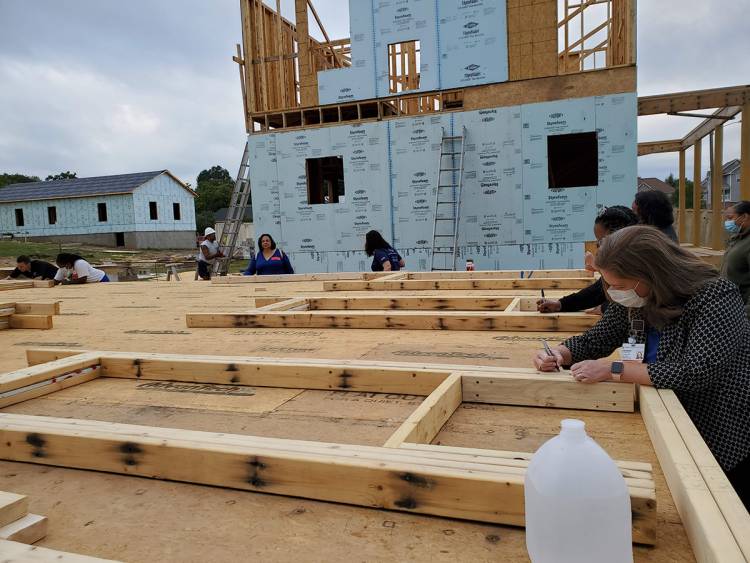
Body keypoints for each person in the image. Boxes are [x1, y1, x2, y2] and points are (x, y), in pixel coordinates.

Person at [532, 226, 750, 509]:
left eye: (619, 285)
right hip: (667, 418)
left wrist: (615, 369)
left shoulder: (714, 296)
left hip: (719, 426)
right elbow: (597, 339)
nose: (612, 292)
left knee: (727, 510)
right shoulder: (636, 298)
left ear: (651, 273)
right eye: (608, 285)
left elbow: (698, 370)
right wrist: (558, 353)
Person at [537, 206, 638, 313]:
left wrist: (605, 308)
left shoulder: (639, 269)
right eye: (598, 242)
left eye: (601, 242)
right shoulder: (623, 267)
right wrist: (561, 304)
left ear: (621, 238)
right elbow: (597, 291)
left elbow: (625, 305)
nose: (598, 247)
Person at [721, 200, 750, 317]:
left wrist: (746, 313)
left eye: (731, 218)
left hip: (742, 312)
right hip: (730, 307)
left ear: (744, 217)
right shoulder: (737, 238)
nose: (728, 222)